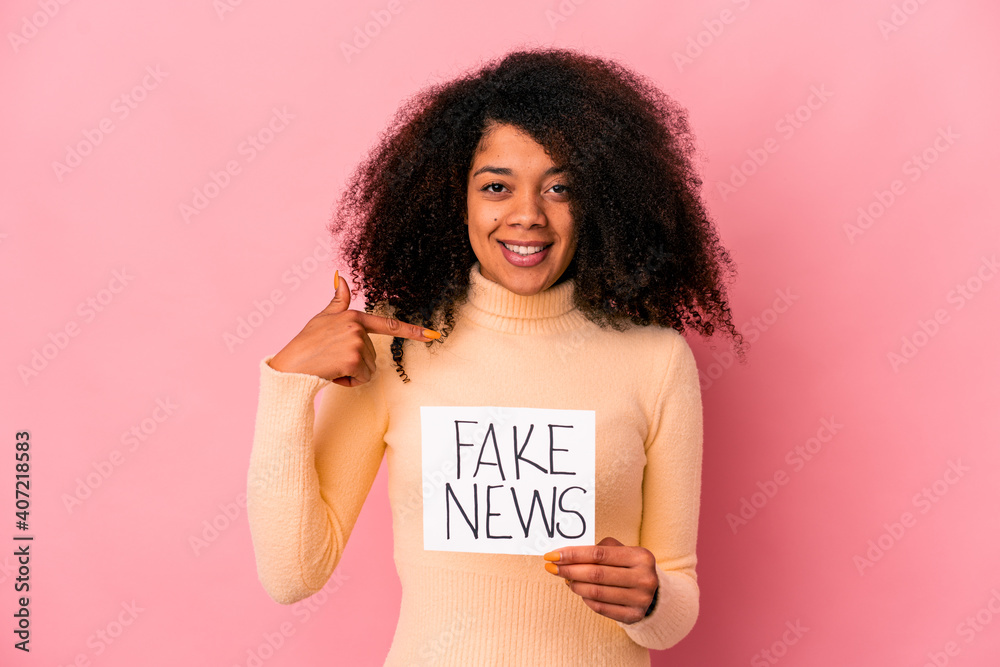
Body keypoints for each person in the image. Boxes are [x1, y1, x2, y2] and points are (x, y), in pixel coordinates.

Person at [246, 46, 746, 665]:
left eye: (559, 187)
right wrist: (287, 384)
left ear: (601, 200)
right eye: (496, 187)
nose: (527, 215)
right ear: (454, 199)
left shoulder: (657, 360)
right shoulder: (395, 348)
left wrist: (651, 600)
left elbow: (676, 604)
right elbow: (293, 575)